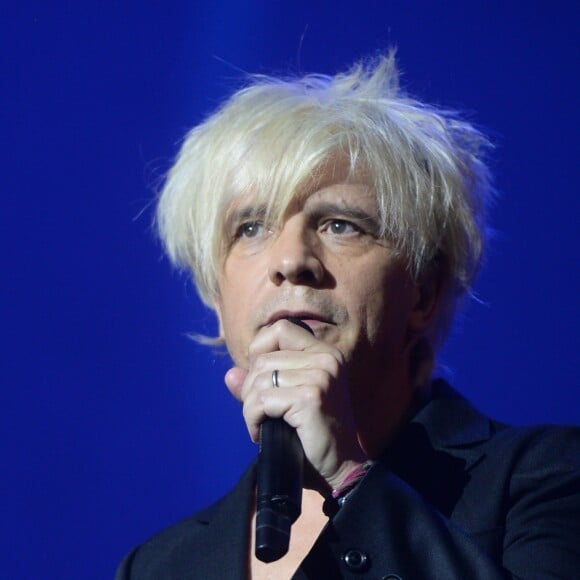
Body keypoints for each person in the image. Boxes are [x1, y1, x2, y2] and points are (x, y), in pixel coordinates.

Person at [116, 53, 580, 579]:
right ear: (217, 302)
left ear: (424, 292)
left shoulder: (549, 481)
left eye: (341, 225)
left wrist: (349, 474)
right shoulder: (157, 567)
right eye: (250, 228)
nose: (291, 261)